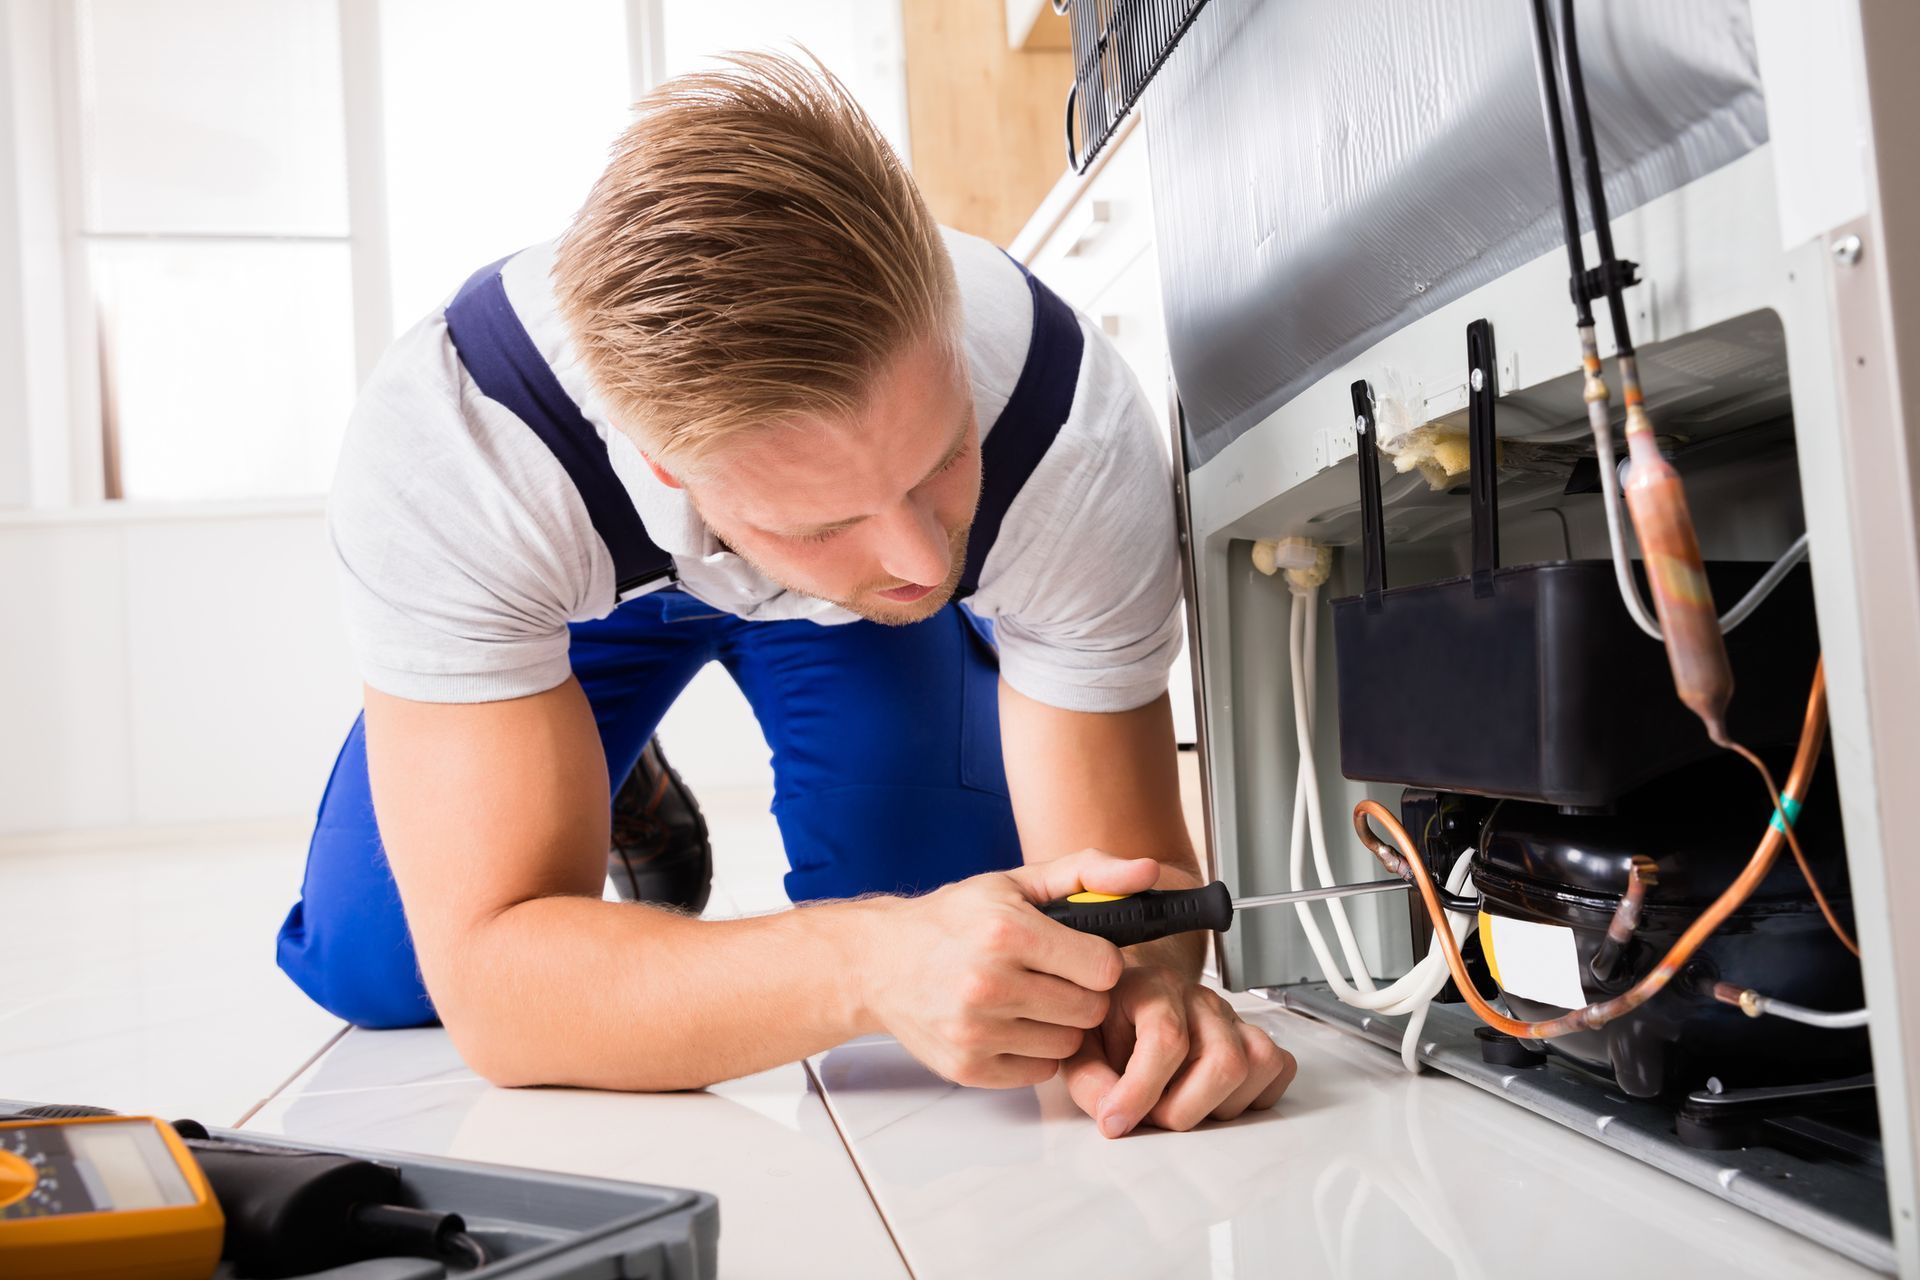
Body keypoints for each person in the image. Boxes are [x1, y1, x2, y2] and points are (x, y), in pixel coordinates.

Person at [276, 52, 1294, 1140]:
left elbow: (1122, 901)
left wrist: (1133, 992)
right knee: (386, 968)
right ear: (667, 466)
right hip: (578, 602)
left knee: (979, 935)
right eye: (825, 517)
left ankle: (707, 654)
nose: (916, 554)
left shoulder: (1065, 426)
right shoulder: (458, 452)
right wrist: (859, 965)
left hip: (843, 624)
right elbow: (498, 994)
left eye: (940, 456)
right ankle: (587, 755)